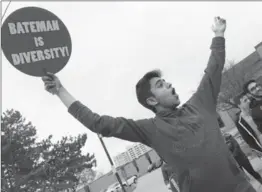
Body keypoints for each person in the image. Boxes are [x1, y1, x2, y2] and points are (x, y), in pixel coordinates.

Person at [42, 17, 256, 192]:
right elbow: (98, 123)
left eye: (166, 81)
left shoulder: (201, 104)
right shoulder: (150, 130)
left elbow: (214, 68)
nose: (170, 84)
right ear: (152, 100)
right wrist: (60, 91)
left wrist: (218, 35)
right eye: (161, 85)